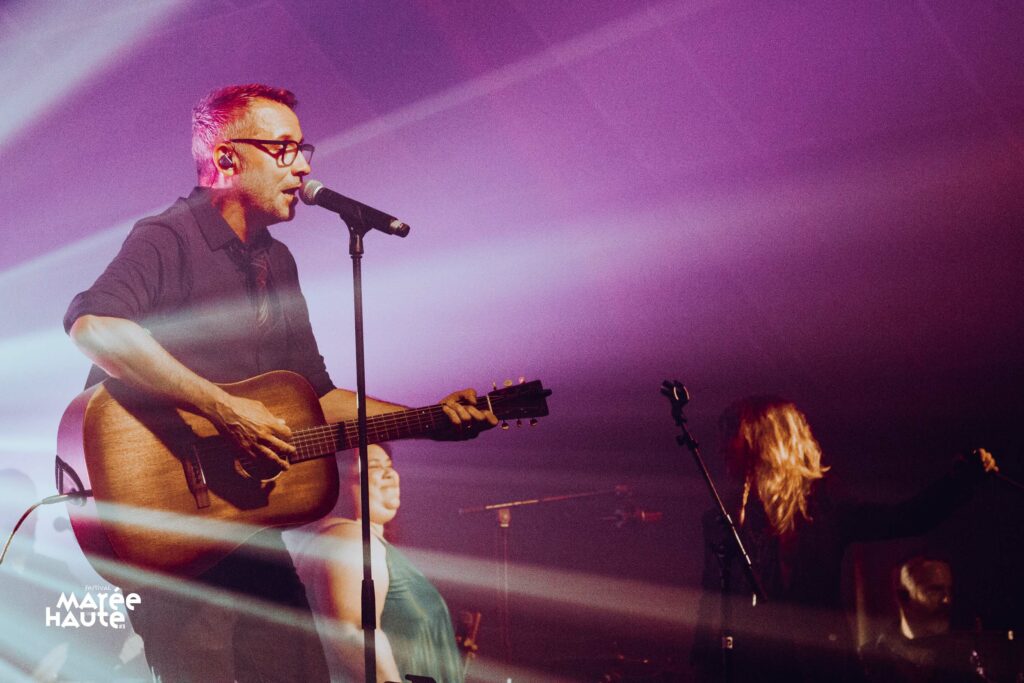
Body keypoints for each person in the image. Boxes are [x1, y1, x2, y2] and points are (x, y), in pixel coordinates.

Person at [63, 83, 496, 682]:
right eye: (284, 149)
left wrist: (428, 419)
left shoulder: (277, 261)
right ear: (226, 158)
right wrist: (224, 409)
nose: (303, 166)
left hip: (249, 531)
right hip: (166, 531)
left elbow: (318, 395)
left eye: (303, 149)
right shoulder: (170, 235)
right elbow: (93, 325)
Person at [689, 395, 998, 683]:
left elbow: (905, 519)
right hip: (753, 669)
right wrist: (700, 665)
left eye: (731, 433)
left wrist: (961, 481)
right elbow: (711, 599)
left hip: (820, 666)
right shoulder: (722, 519)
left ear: (764, 438)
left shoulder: (824, 508)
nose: (721, 447)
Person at [291, 443, 464, 683]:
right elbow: (353, 635)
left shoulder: (362, 540)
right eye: (374, 466)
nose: (389, 474)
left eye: (389, 465)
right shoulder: (350, 539)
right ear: (336, 480)